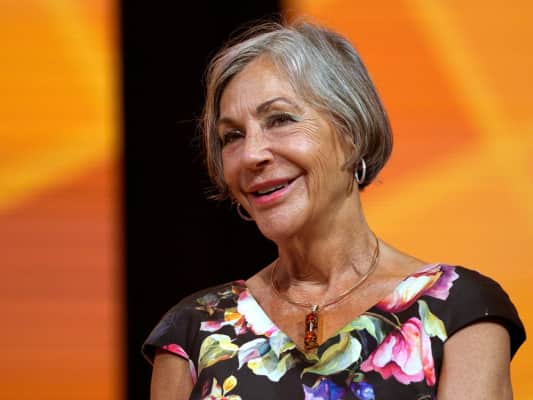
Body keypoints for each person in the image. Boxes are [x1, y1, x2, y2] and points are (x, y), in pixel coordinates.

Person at [142, 20, 525, 399]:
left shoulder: (459, 311)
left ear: (352, 131)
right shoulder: (192, 333)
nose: (251, 154)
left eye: (280, 120)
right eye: (233, 136)